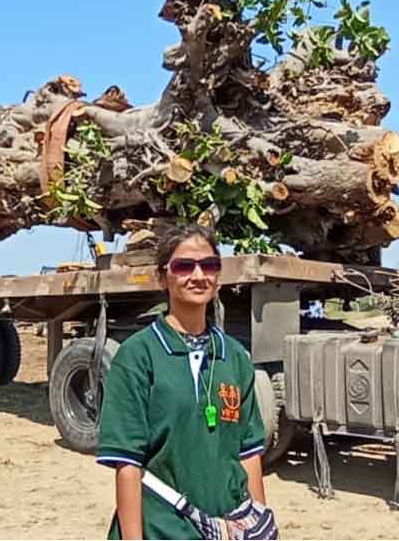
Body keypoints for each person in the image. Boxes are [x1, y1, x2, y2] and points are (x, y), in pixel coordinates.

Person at [96, 224, 270, 539]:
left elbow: (248, 453)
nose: (198, 274)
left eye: (209, 265)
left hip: (224, 527)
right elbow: (128, 464)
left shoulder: (234, 356)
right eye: (184, 266)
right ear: (163, 277)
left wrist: (259, 527)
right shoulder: (138, 356)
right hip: (161, 527)